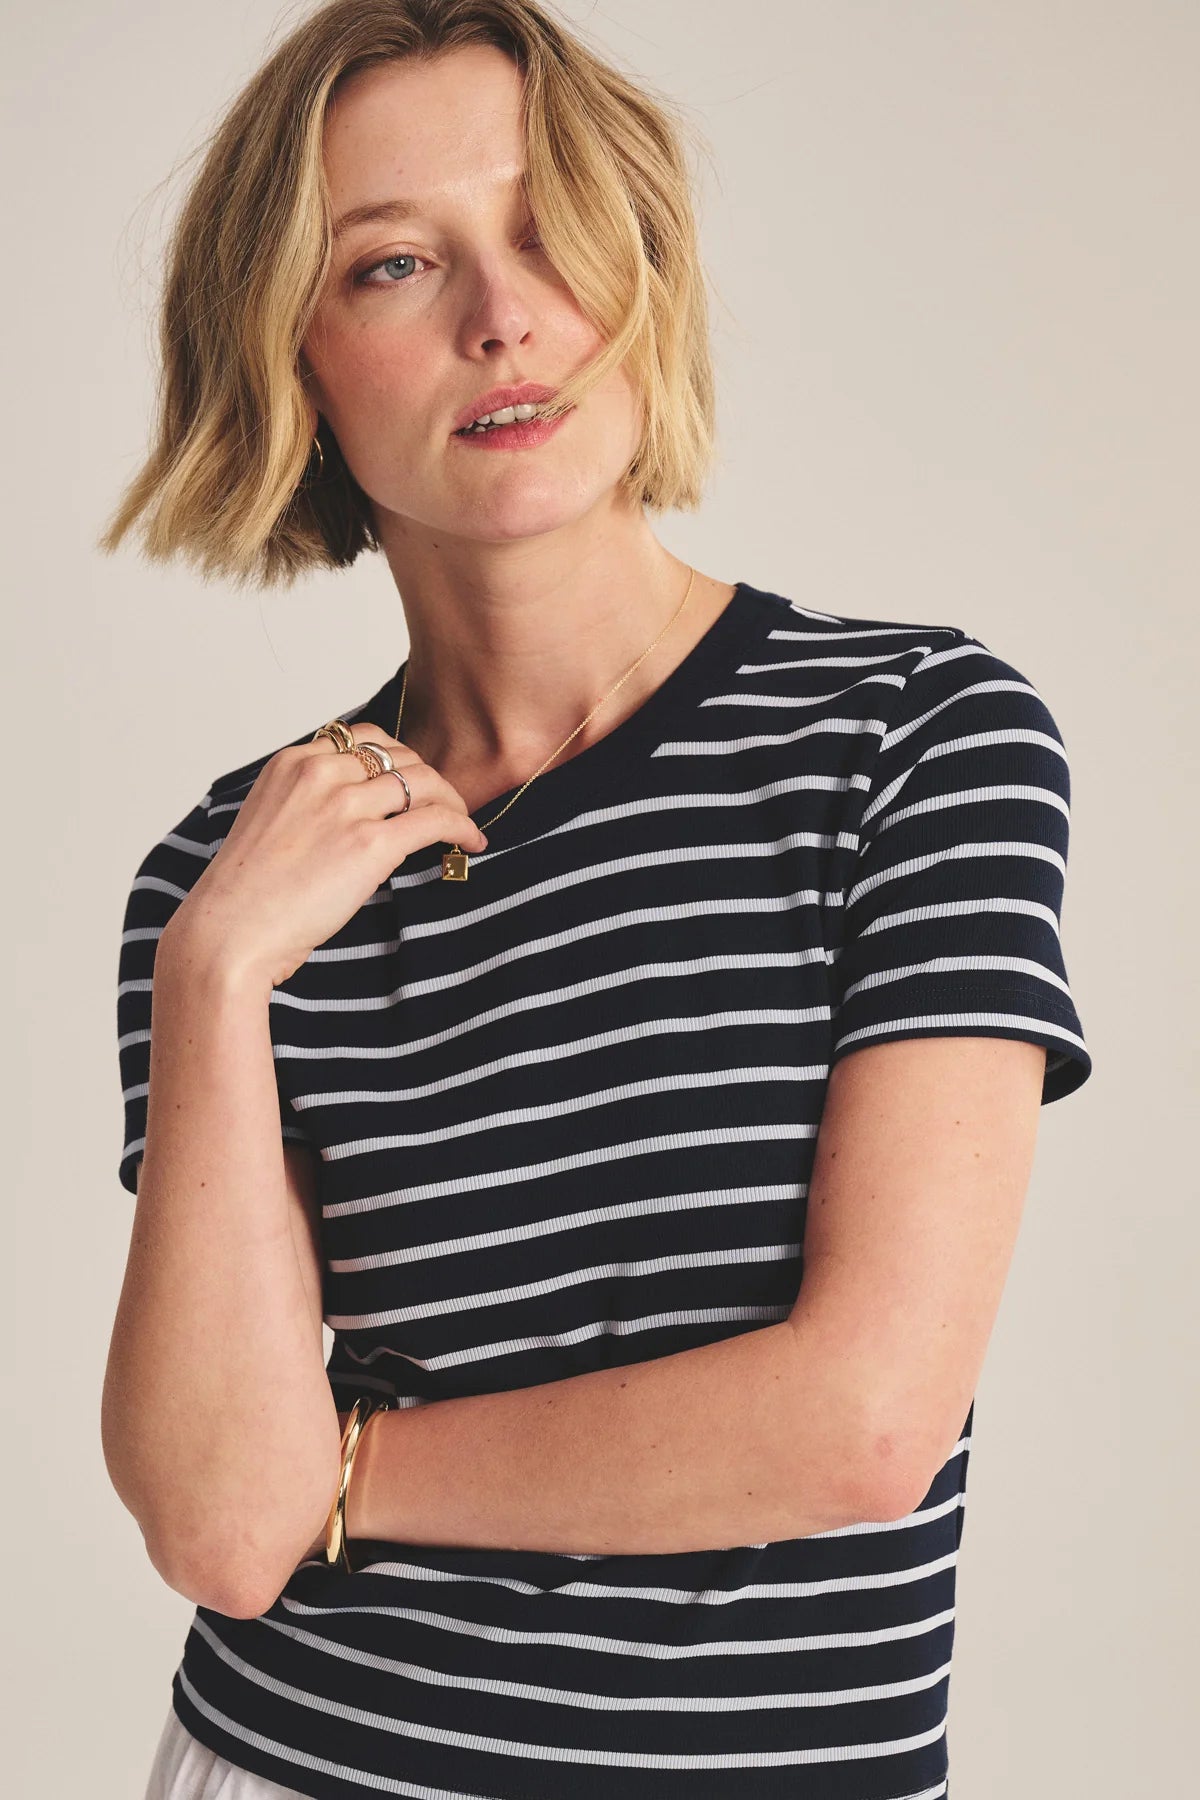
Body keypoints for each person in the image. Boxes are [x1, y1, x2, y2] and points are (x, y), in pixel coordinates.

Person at [102, 4, 1093, 1798]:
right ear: (290, 359)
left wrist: (337, 1473)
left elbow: (864, 1425)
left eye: (551, 226)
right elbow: (214, 1524)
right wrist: (216, 974)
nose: (503, 315)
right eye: (394, 263)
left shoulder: (914, 737)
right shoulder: (230, 878)